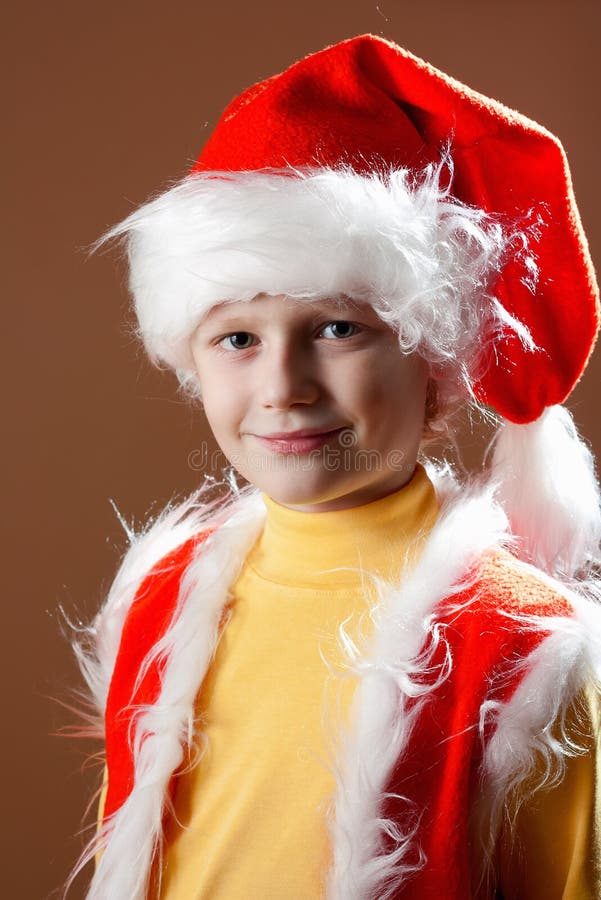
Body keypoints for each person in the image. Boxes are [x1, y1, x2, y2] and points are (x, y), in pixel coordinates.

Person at [69, 34, 601, 899]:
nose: (282, 388)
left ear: (434, 360)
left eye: (337, 329)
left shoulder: (522, 649)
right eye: (237, 338)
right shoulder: (161, 601)